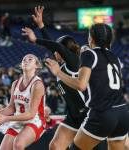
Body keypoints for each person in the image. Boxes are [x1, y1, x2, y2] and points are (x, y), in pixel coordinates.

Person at [45, 23, 129, 150]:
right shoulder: (114, 57)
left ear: (91, 38)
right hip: (122, 112)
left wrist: (57, 72)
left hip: (102, 113)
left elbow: (81, 85)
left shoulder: (88, 54)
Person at [22, 6, 88, 150]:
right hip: (73, 114)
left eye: (57, 51)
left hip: (88, 115)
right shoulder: (63, 63)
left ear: (64, 51)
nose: (54, 53)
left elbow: (57, 47)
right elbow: (54, 47)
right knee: (55, 146)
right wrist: (41, 26)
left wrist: (35, 40)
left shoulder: (75, 62)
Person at [0, 54, 46, 150]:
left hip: (35, 121)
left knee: (18, 143)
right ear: (21, 65)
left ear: (36, 65)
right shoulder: (15, 84)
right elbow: (11, 108)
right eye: (24, 59)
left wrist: (6, 118)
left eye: (30, 59)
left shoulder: (37, 85)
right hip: (18, 121)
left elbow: (31, 114)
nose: (26, 61)